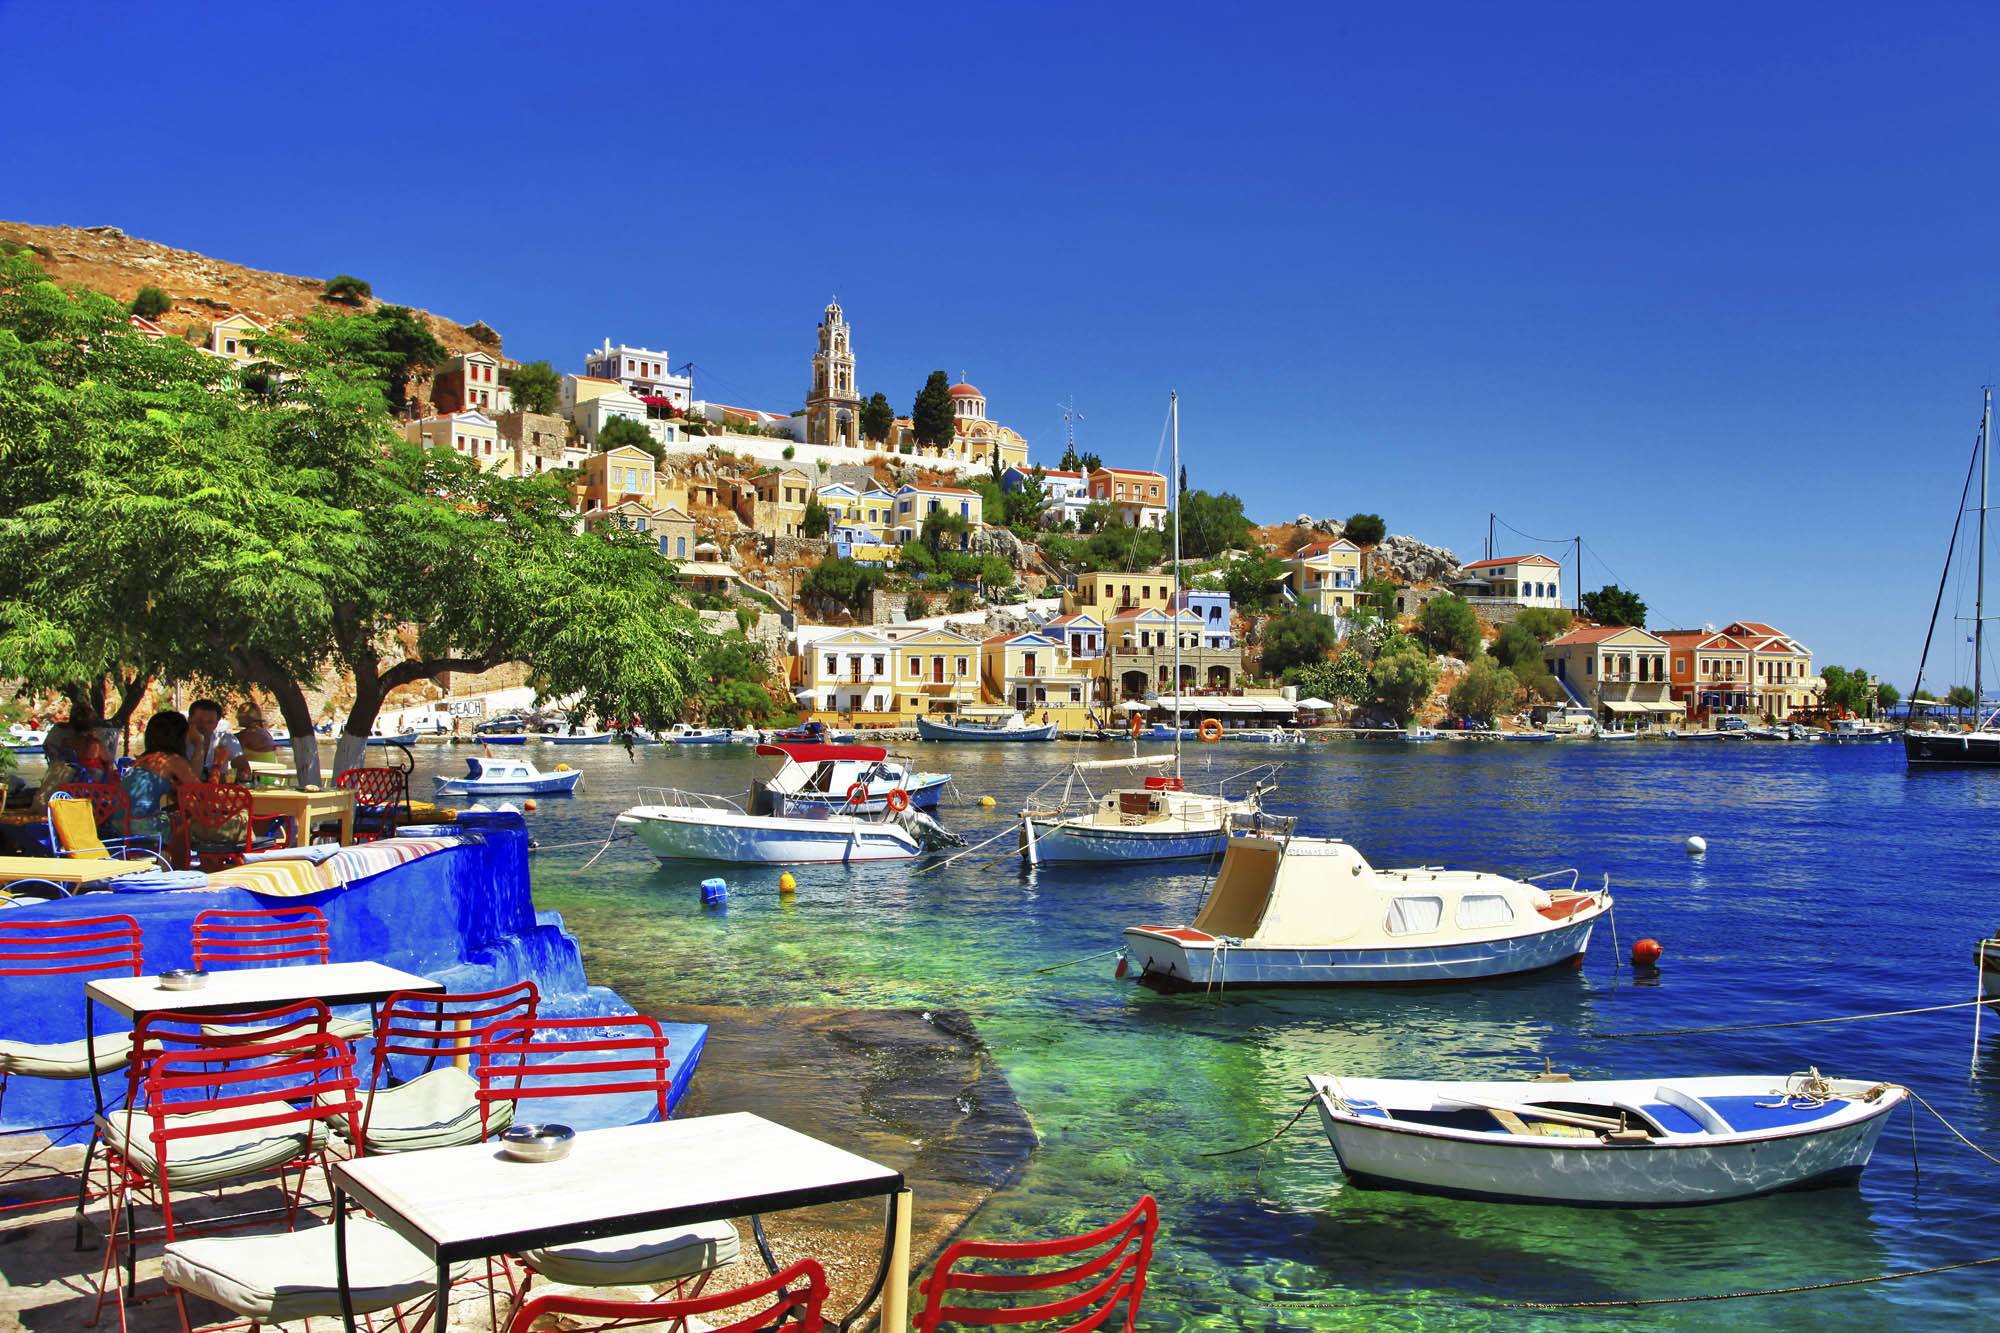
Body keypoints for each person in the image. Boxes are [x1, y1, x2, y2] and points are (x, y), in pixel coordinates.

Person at [124, 710, 198, 847]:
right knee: (193, 821)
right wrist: (200, 746)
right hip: (142, 826)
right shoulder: (172, 760)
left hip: (121, 824)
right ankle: (184, 861)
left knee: (179, 813)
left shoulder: (143, 759)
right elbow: (203, 792)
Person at [187, 698, 248, 783]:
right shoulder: (179, 740)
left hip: (218, 789)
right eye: (199, 721)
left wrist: (222, 776)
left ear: (217, 723)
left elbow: (245, 772)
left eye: (210, 722)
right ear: (189, 720)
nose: (204, 725)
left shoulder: (226, 740)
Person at [235, 703, 281, 772]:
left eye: (239, 714)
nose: (236, 717)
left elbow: (229, 745)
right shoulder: (263, 732)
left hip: (260, 776)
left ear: (249, 717)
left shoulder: (248, 734)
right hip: (270, 775)